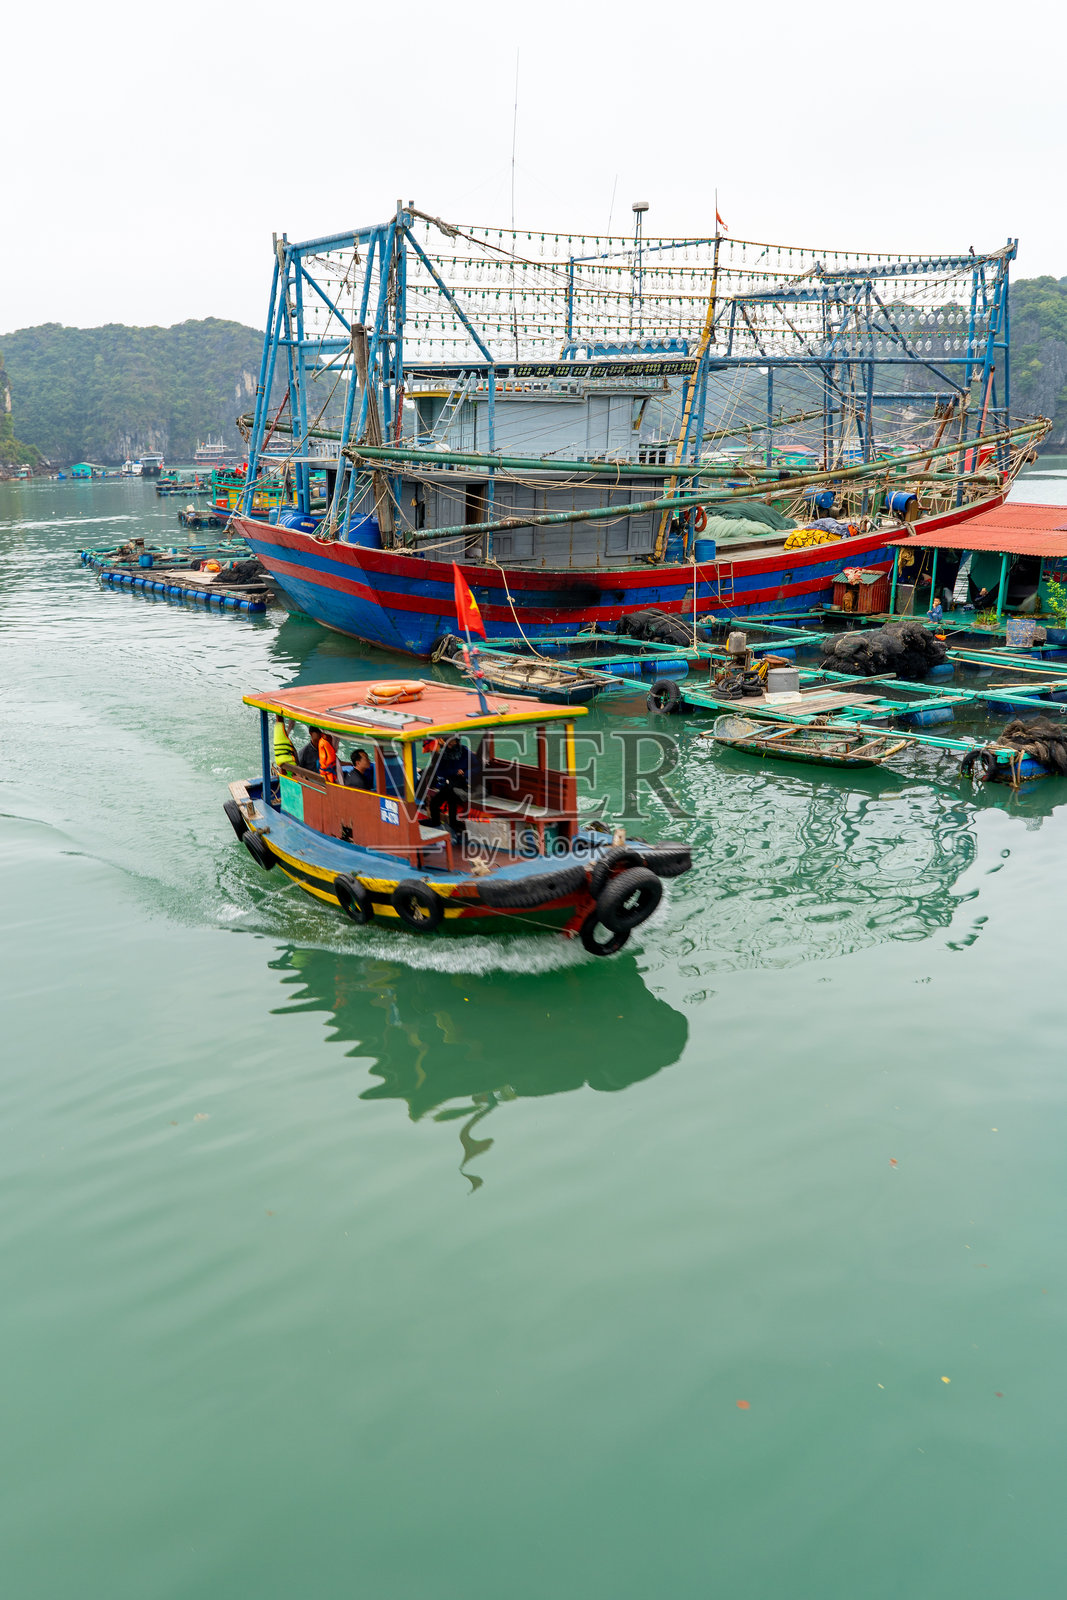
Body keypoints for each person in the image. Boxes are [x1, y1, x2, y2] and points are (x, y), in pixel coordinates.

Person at [427, 736, 470, 837]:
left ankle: (454, 828)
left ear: (457, 741)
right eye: (448, 743)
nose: (450, 746)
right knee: (434, 803)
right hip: (448, 783)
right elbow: (439, 771)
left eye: (452, 743)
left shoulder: (464, 751)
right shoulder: (443, 753)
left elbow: (473, 767)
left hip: (461, 784)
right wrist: (454, 772)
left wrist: (464, 773)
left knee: (452, 800)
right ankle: (436, 825)